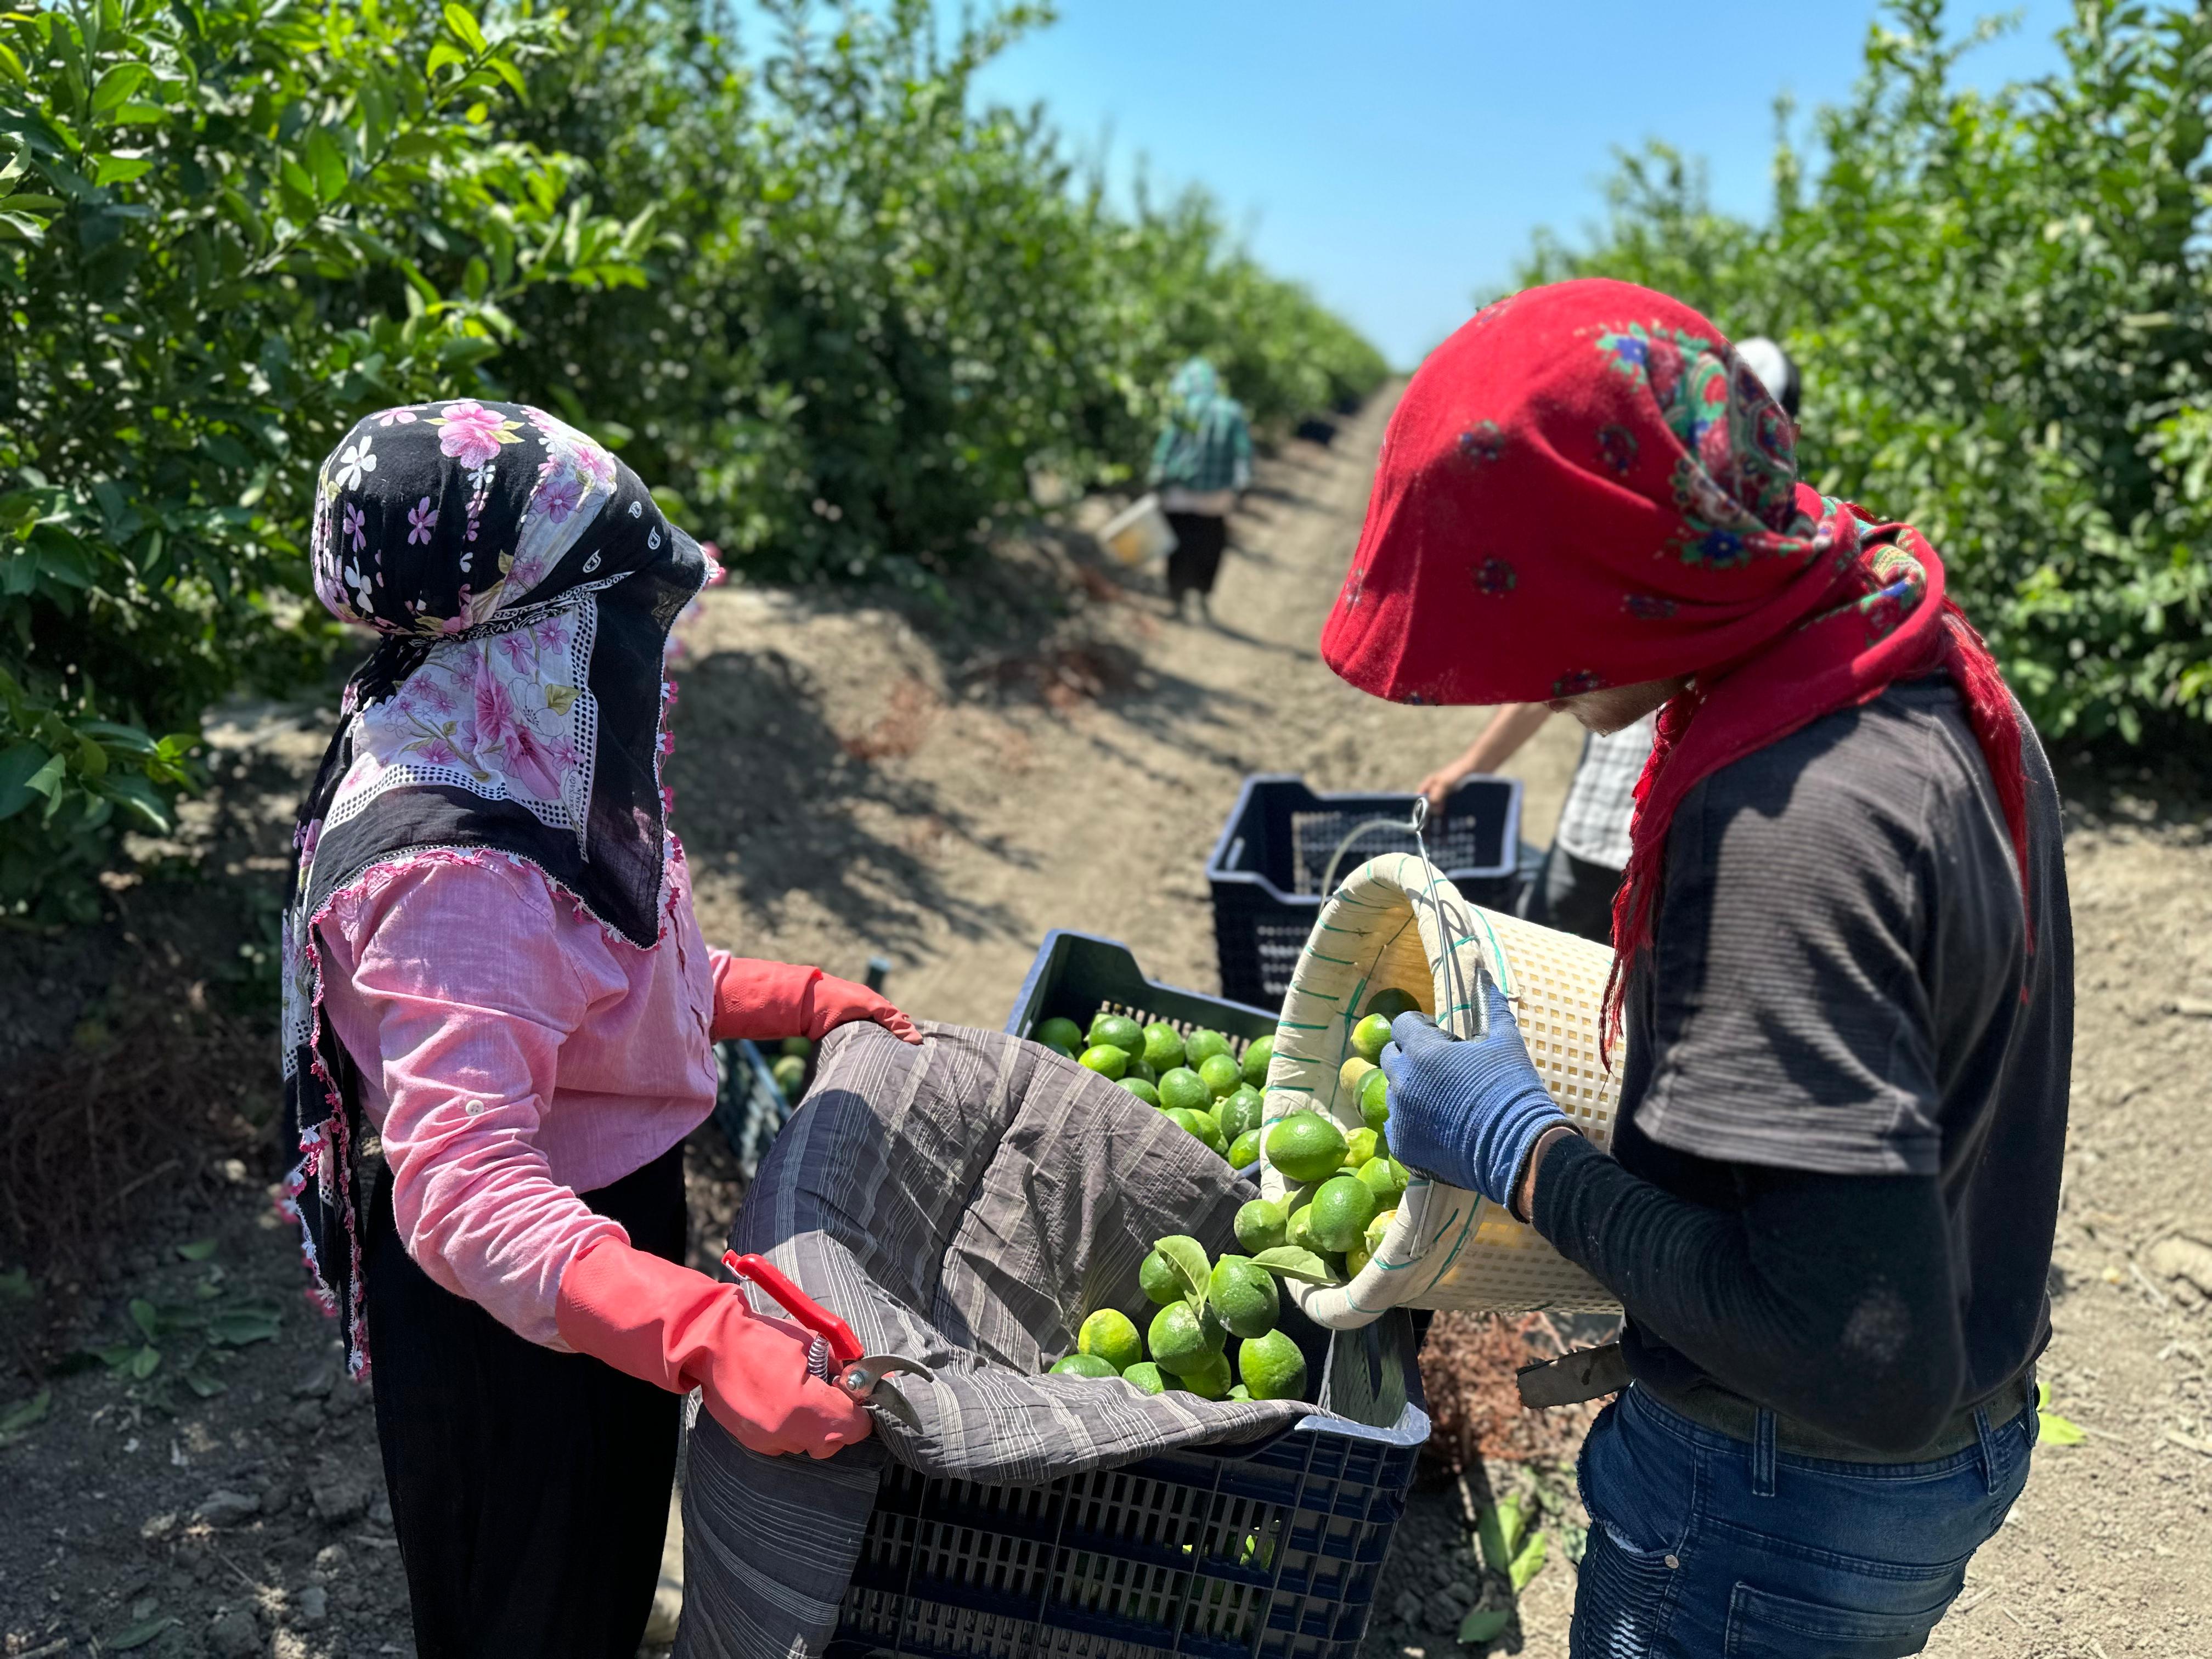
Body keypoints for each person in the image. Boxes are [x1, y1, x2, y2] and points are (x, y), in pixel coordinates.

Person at [1324, 282, 2072, 1656]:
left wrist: (1520, 1152)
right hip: (1900, 1459)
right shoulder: (1904, 655)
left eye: (1527, 608)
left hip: (1778, 1502)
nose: (1532, 679)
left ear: (1619, 563)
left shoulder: (1794, 830)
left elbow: (1858, 1356)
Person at [280, 400, 919, 1658]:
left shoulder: (509, 752)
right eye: (624, 612)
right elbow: (466, 1197)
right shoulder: (454, 869)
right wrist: (702, 1331)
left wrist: (778, 997)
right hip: (515, 1308)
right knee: (532, 1599)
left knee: (610, 1547)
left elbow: (590, 978)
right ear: (537, 624)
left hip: (605, 1246)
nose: (648, 650)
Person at [1413, 339, 1799, 945]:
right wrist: (1472, 766)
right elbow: (1563, 677)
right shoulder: (1653, 543)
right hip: (1601, 830)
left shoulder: (1771, 579)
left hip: (1680, 848)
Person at [1148, 357, 1253, 621]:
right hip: (1216, 498)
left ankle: (1177, 598)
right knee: (1210, 545)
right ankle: (1203, 594)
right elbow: (1244, 452)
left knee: (1178, 547)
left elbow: (1166, 447)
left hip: (1179, 494)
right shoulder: (1231, 411)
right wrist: (1242, 484)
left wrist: (1156, 478)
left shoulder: (1182, 410)